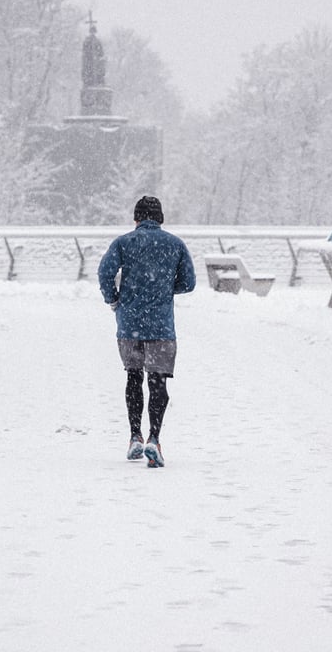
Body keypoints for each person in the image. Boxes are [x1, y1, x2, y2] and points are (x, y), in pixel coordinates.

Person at [97, 196, 196, 468]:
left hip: (129, 324)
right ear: (160, 218)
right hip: (162, 326)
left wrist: (114, 299)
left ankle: (134, 437)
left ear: (136, 218)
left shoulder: (123, 243)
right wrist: (164, 288)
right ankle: (154, 438)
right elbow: (189, 282)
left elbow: (104, 273)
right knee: (158, 382)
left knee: (133, 377)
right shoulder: (175, 245)